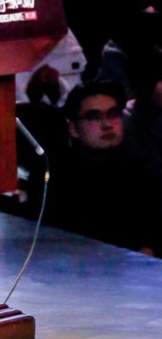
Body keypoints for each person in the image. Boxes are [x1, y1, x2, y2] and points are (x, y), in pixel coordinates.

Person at [45, 79, 160, 255]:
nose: (107, 125)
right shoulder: (55, 174)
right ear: (73, 128)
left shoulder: (143, 168)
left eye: (113, 114)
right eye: (94, 117)